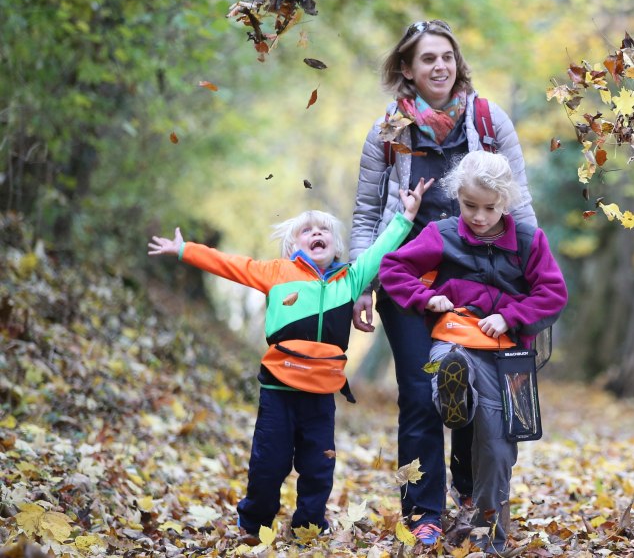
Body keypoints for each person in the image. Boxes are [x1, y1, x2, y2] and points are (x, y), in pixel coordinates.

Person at [147, 179, 432, 540]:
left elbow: (380, 250)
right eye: (307, 231)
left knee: (318, 467)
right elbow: (230, 265)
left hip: (320, 395)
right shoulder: (277, 273)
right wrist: (185, 249)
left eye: (324, 230)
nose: (317, 233)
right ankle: (253, 523)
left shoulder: (351, 279)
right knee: (269, 463)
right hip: (278, 391)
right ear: (292, 245)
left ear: (336, 244)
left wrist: (405, 217)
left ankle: (309, 526)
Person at [350, 19, 538, 547]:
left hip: (477, 281)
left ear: (457, 64)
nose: (439, 66)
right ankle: (423, 513)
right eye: (427, 58)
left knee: (473, 388)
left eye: (446, 57)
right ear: (406, 69)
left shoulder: (487, 118)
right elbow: (367, 212)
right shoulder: (388, 131)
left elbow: (518, 203)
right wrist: (361, 283)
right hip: (406, 280)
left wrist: (529, 277)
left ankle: (469, 491)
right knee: (419, 394)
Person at [379, 151, 567, 552]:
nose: (479, 217)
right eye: (469, 206)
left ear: (507, 202)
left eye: (489, 208)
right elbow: (393, 268)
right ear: (457, 198)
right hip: (455, 338)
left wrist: (511, 317)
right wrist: (425, 298)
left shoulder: (531, 241)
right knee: (451, 362)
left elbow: (553, 295)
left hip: (508, 356)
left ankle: (487, 533)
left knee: (498, 448)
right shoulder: (442, 233)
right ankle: (455, 394)